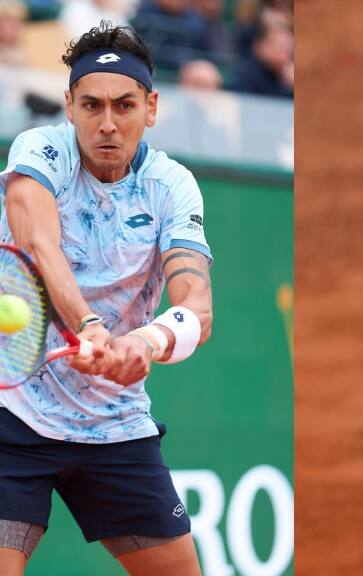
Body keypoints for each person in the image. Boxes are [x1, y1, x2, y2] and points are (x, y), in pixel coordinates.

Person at [0, 21, 212, 575]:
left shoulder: (171, 186)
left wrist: (146, 340)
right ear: (69, 105)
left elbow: (196, 300)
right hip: (12, 416)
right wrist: (90, 325)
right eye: (92, 105)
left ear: (152, 106)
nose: (109, 124)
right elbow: (38, 244)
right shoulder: (39, 152)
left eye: (125, 105)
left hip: (114, 425)